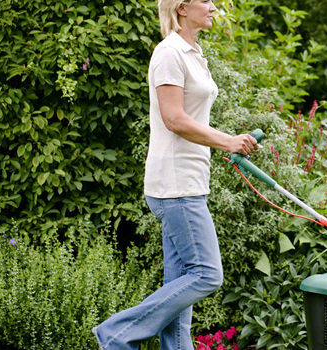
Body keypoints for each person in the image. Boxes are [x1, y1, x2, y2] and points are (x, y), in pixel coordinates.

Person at [92, 0, 258, 349]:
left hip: (190, 181)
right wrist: (227, 142)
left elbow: (193, 117)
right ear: (182, 7)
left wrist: (225, 143)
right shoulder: (168, 53)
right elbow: (175, 119)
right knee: (207, 274)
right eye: (206, 1)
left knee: (179, 294)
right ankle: (116, 335)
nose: (214, 7)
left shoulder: (193, 52)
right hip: (174, 185)